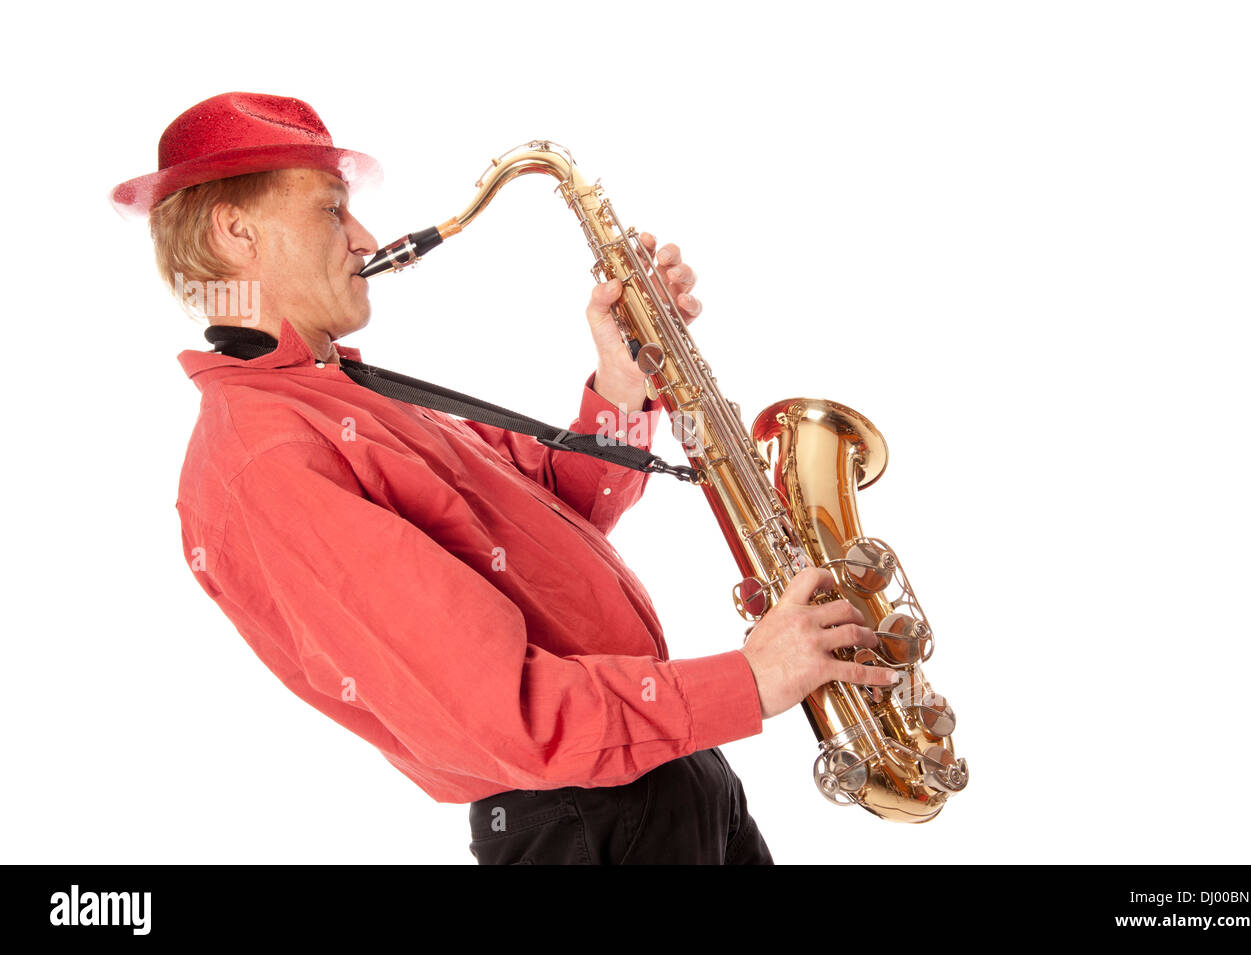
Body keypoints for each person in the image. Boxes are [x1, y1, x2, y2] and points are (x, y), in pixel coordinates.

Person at [112, 92, 899, 865]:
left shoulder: (344, 394)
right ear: (235, 230)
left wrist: (623, 384)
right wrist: (747, 681)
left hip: (662, 774)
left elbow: (557, 506)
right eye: (330, 210)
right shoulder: (266, 455)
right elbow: (503, 714)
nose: (364, 236)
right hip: (592, 812)